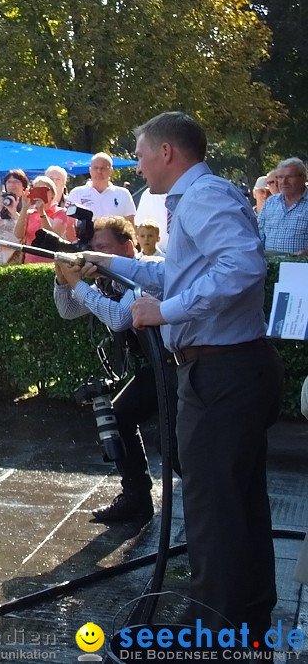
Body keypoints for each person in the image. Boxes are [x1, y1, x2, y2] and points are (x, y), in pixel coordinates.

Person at [82, 111, 284, 646]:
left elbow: (242, 266)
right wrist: (105, 262)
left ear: (167, 153)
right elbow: (178, 273)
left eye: (142, 152)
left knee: (215, 506)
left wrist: (166, 313)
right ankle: (242, 623)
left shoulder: (204, 197)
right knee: (234, 502)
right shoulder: (195, 200)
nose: (139, 163)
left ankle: (214, 631)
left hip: (224, 372)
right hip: (226, 369)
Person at [54, 216, 177, 524]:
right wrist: (61, 280)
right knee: (119, 417)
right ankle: (136, 497)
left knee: (176, 448)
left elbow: (119, 318)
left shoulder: (144, 275)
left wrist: (77, 284)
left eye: (104, 249)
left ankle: (211, 509)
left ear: (127, 247)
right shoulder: (106, 280)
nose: (96, 256)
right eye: (92, 249)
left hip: (181, 368)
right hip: (157, 367)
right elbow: (68, 311)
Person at [13, 175, 74, 263]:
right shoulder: (30, 213)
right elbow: (18, 235)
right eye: (36, 190)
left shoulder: (61, 212)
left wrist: (42, 213)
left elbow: (53, 238)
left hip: (52, 262)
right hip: (30, 262)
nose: (40, 193)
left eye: (44, 189)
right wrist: (24, 208)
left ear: (53, 193)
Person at [257, 157, 308, 255]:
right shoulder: (270, 202)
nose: (283, 182)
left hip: (301, 267)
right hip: (271, 266)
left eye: (289, 177)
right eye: (280, 177)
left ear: (303, 178)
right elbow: (259, 235)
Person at [67, 152, 136, 223]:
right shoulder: (76, 193)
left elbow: (130, 225)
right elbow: (69, 224)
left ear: (111, 171)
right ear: (90, 170)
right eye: (95, 168)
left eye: (103, 168)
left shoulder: (123, 194)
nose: (99, 171)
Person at [0, 169, 29, 264]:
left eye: (16, 182)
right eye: (9, 182)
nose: (12, 185)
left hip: (17, 253)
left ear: (23, 186)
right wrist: (1, 207)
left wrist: (13, 211)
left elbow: (27, 228)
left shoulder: (28, 204)